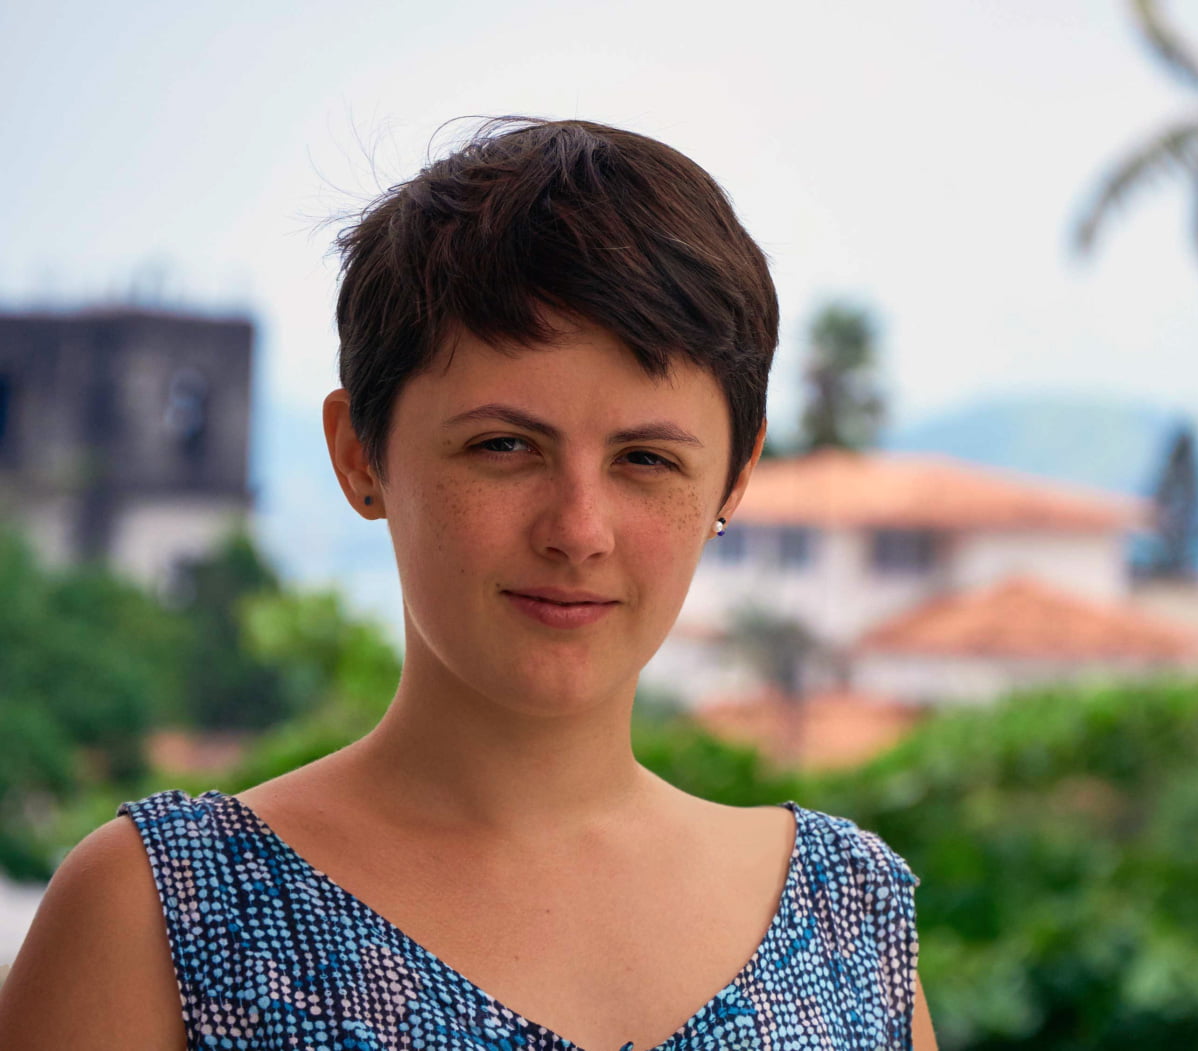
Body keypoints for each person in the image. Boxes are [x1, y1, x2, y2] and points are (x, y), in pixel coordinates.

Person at [0, 117, 936, 1051]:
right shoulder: (163, 916)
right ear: (359, 454)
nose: (577, 530)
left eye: (646, 459)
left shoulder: (848, 918)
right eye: (504, 446)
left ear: (734, 477)